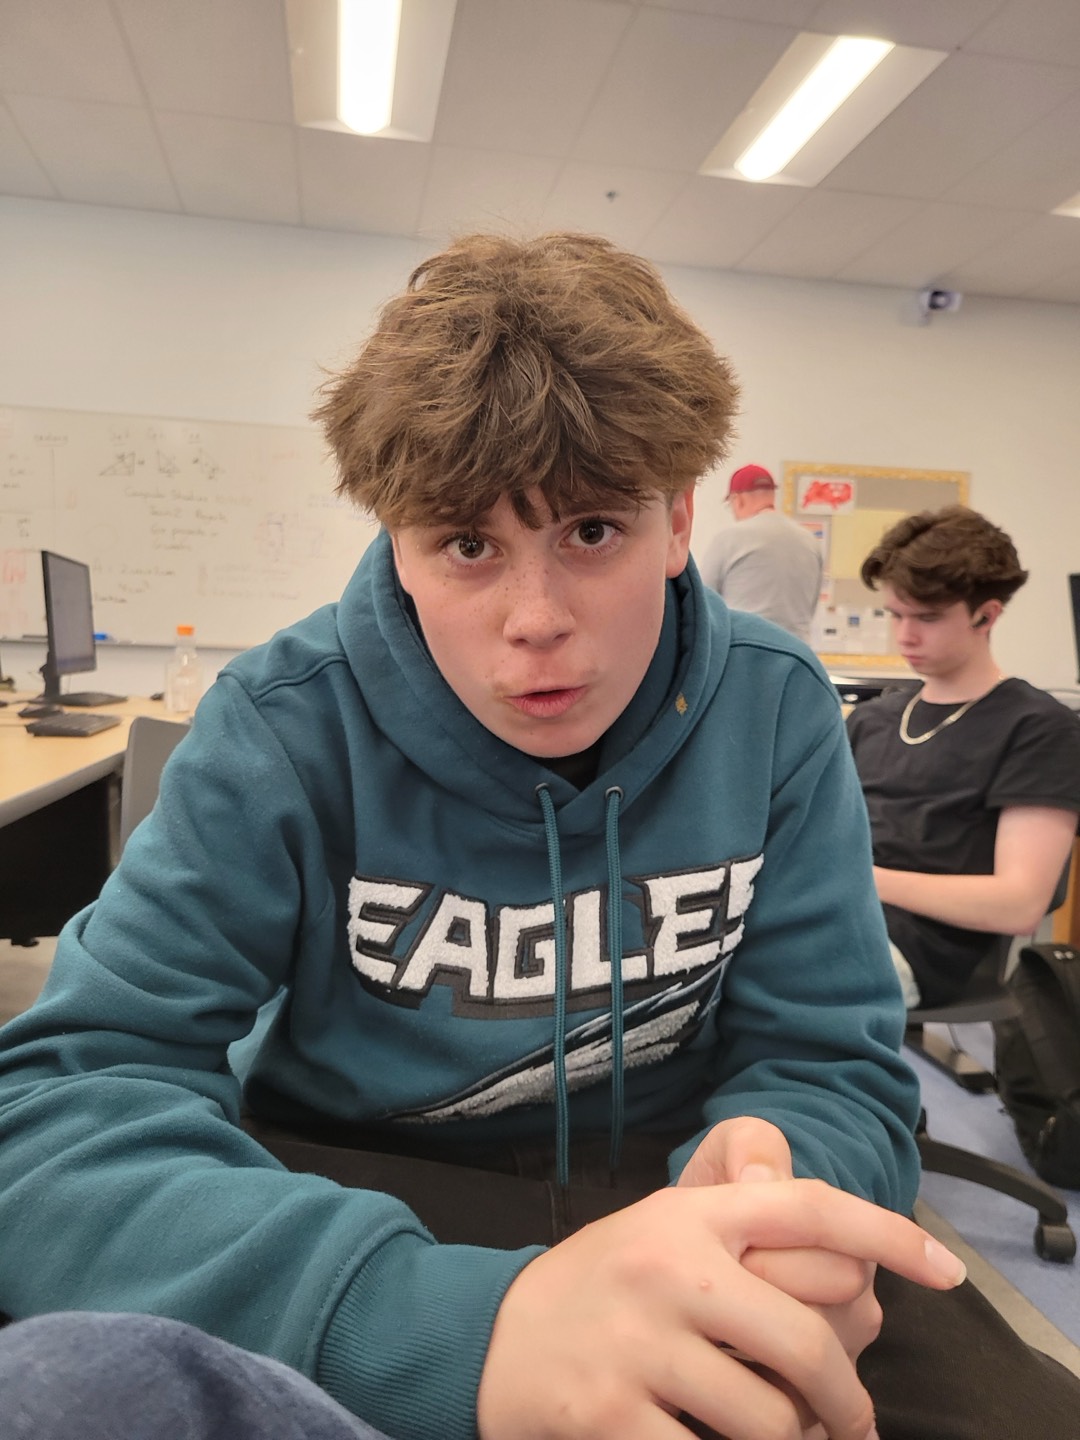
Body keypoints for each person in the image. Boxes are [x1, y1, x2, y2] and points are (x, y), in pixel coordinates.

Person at [0, 233, 1076, 1440]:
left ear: (679, 519)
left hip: (684, 1194)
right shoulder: (282, 724)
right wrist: (440, 1328)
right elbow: (56, 1114)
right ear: (398, 544)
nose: (536, 620)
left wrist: (783, 1166)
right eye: (467, 545)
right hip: (355, 1204)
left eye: (592, 532)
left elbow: (835, 1062)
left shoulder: (777, 706)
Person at [847, 505, 1080, 1009]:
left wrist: (854, 876)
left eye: (927, 618)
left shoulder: (1039, 728)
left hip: (915, 948)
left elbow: (1019, 904)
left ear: (986, 615)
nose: (905, 636)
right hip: (830, 917)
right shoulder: (873, 719)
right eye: (895, 615)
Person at [700, 462, 823, 641]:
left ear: (738, 500)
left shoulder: (729, 538)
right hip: (797, 651)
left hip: (745, 649)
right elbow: (811, 607)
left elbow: (704, 604)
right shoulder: (810, 541)